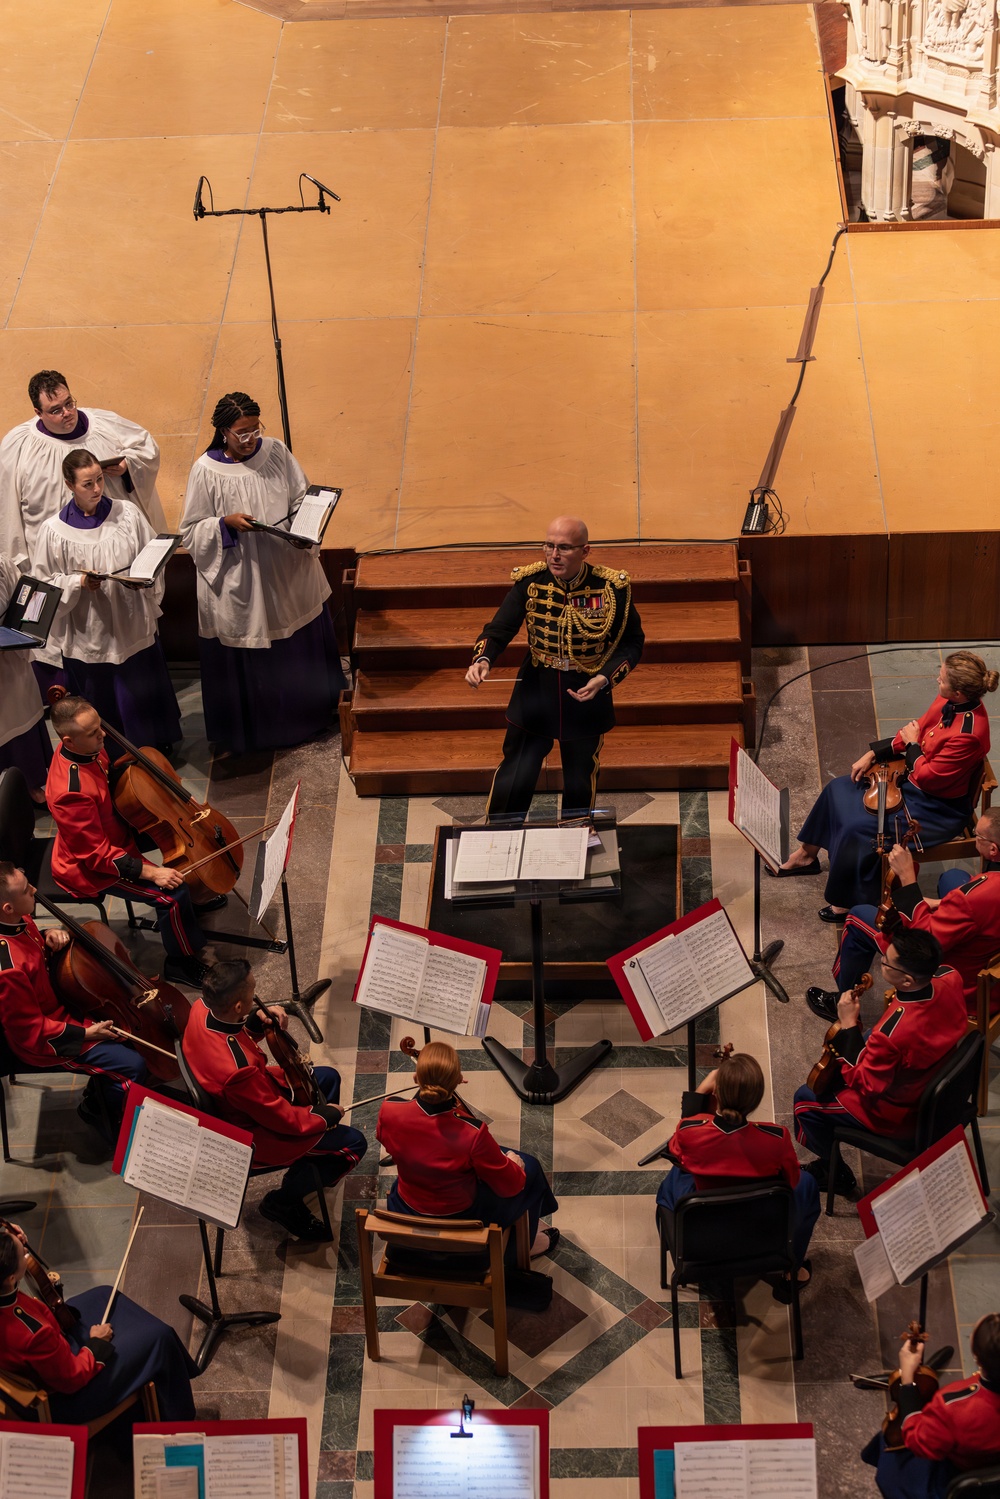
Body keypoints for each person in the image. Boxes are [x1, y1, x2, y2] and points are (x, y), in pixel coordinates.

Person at [179, 391, 345, 755]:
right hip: (243, 577)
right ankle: (262, 731)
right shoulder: (206, 470)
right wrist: (225, 523)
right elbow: (190, 530)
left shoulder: (276, 452)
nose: (251, 438)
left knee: (293, 635)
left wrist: (306, 528)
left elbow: (301, 497)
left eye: (255, 429)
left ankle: (310, 717)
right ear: (223, 431)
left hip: (286, 566)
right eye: (242, 432)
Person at [771, 652, 997, 920]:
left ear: (958, 692)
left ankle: (849, 901)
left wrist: (913, 745)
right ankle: (806, 856)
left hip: (936, 807)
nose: (937, 678)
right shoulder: (949, 700)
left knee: (857, 827)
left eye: (942, 678)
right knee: (838, 789)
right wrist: (875, 752)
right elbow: (917, 728)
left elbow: (928, 775)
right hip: (913, 781)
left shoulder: (968, 734)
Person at [466, 516, 644, 822]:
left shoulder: (610, 589)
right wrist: (483, 659)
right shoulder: (531, 582)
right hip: (537, 687)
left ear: (585, 551)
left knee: (579, 777)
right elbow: (498, 629)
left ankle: (575, 835)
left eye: (564, 547)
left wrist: (604, 678)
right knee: (516, 771)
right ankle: (499, 834)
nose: (554, 555)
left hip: (585, 691)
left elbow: (632, 642)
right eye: (549, 546)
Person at [0, 370, 166, 691]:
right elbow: (7, 512)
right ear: (38, 412)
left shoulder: (103, 424)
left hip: (113, 554)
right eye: (55, 410)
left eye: (69, 403)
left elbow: (147, 449)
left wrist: (126, 466)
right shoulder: (18, 446)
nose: (67, 413)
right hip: (57, 560)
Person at [181, 960, 367, 1242]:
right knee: (353, 1145)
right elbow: (280, 1119)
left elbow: (230, 1034)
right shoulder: (237, 1071)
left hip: (250, 1099)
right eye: (252, 993)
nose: (256, 996)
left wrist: (255, 1021)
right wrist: (322, 1117)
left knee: (328, 1078)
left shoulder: (200, 1007)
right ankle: (284, 1200)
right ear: (237, 1007)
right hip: (254, 1131)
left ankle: (314, 1161)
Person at [45, 695, 210, 987]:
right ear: (68, 741)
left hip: (116, 829)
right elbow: (95, 855)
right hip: (92, 867)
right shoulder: (69, 793)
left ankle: (193, 905)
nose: (103, 734)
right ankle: (180, 963)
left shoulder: (87, 748)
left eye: (100, 726)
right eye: (93, 732)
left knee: (179, 838)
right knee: (170, 895)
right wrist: (151, 872)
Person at [793, 930, 968, 1197]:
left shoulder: (893, 1034)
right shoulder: (950, 976)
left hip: (898, 1113)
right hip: (934, 1074)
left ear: (907, 981)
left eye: (886, 962)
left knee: (804, 1100)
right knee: (863, 1041)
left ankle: (834, 1172)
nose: (882, 961)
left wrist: (848, 1024)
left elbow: (867, 1083)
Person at [31, 450, 180, 751]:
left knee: (140, 694)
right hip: (89, 632)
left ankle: (153, 751)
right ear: (70, 485)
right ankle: (109, 756)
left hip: (131, 622)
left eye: (99, 479)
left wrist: (144, 578)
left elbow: (151, 555)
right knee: (104, 699)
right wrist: (79, 583)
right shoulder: (54, 531)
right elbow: (44, 585)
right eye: (87, 484)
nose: (97, 488)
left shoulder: (127, 514)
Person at [807, 807, 1000, 1022]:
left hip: (958, 981)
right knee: (953, 877)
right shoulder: (981, 891)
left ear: (993, 849)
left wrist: (908, 879)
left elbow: (923, 942)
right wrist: (944, 904)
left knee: (857, 916)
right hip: (986, 944)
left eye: (977, 835)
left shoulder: (974, 897)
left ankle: (842, 1003)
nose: (974, 836)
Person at [655, 1051, 819, 1302]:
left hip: (703, 1238)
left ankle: (679, 1254)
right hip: (761, 1231)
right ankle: (791, 1271)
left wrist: (700, 1094)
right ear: (756, 1099)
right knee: (807, 1184)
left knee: (674, 1177)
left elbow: (677, 1151)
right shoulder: (776, 1138)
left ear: (716, 1093)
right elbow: (792, 1180)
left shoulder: (690, 1132)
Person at [376, 1041, 559, 1263]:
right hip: (458, 1219)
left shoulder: (389, 1110)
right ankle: (520, 1251)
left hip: (406, 1207)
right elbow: (509, 1187)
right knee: (530, 1167)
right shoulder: (473, 1132)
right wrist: (514, 1165)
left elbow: (386, 1140)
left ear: (416, 1078)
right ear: (458, 1080)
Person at [0, 1221, 198, 1423]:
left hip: (49, 1356)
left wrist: (10, 1243)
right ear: (11, 1278)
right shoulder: (35, 1334)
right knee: (159, 1337)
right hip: (68, 1396)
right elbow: (72, 1377)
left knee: (105, 1295)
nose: (26, 1250)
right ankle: (180, 1418)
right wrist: (95, 1344)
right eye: (22, 1253)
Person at [0, 861, 147, 1130]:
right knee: (134, 1066)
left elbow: (30, 944)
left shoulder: (18, 918)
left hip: (63, 1001)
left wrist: (48, 934)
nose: (34, 889)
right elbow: (30, 1032)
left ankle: (99, 1090)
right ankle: (101, 1114)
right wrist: (87, 1034)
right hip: (50, 1036)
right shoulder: (7, 970)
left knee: (135, 1034)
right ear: (7, 908)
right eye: (25, 890)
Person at [862, 1314, 1000, 1498]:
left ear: (977, 1358)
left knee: (891, 1468)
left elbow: (916, 1439)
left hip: (958, 1474)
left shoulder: (953, 1407)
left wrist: (907, 1380)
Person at [0, 550, 50, 802]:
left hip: (9, 660)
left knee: (19, 716)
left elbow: (23, 601)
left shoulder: (2, 564)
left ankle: (29, 784)